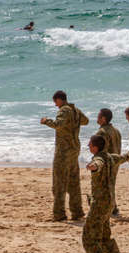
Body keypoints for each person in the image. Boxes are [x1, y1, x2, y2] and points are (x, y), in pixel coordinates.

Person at [83, 135, 129, 253]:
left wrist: (93, 166)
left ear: (96, 147)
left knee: (89, 236)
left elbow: (98, 163)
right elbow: (125, 157)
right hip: (110, 202)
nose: (88, 147)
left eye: (90, 145)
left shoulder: (99, 158)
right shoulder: (111, 157)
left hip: (99, 203)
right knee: (104, 233)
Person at [41, 90, 89, 221]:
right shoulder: (76, 110)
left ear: (59, 100)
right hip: (74, 150)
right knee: (74, 182)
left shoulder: (63, 110)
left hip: (63, 151)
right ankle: (77, 211)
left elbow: (58, 124)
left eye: (55, 102)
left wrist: (46, 121)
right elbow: (86, 121)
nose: (56, 105)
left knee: (59, 182)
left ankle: (59, 214)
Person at [95, 108, 122, 215]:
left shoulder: (102, 132)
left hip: (106, 163)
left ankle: (110, 208)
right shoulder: (116, 131)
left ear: (103, 119)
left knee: (104, 186)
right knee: (111, 185)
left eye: (98, 116)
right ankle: (113, 208)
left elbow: (100, 151)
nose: (97, 118)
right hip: (116, 162)